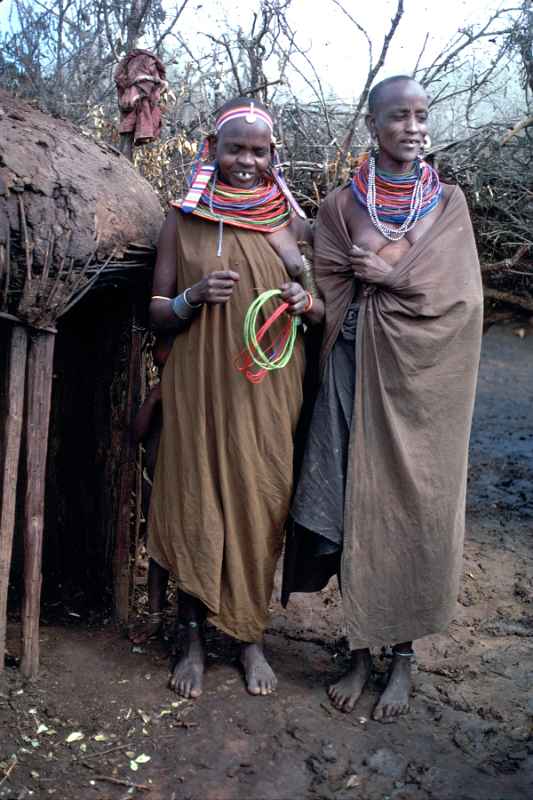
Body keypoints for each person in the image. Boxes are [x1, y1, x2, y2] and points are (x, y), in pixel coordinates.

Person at [283, 75, 483, 722]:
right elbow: (330, 291)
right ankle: (360, 647)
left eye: (422, 114)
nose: (413, 126)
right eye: (399, 116)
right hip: (348, 370)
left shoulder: (447, 204)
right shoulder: (343, 206)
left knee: (412, 510)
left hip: (421, 388)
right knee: (348, 503)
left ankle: (402, 655)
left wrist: (393, 276)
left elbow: (462, 302)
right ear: (373, 126)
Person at [147, 96, 322, 699]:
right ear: (212, 151)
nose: (245, 161)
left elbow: (319, 303)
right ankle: (191, 635)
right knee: (197, 498)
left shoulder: (293, 225)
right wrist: (191, 298)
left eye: (257, 150)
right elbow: (155, 312)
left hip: (269, 388)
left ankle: (249, 639)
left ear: (272, 154)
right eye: (234, 149)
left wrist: (305, 302)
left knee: (260, 498)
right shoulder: (184, 218)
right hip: (199, 388)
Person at [128, 335, 174, 646]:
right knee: (157, 550)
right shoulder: (160, 391)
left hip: (189, 486)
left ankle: (190, 620)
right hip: (157, 481)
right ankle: (156, 615)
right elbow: (136, 435)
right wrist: (154, 399)